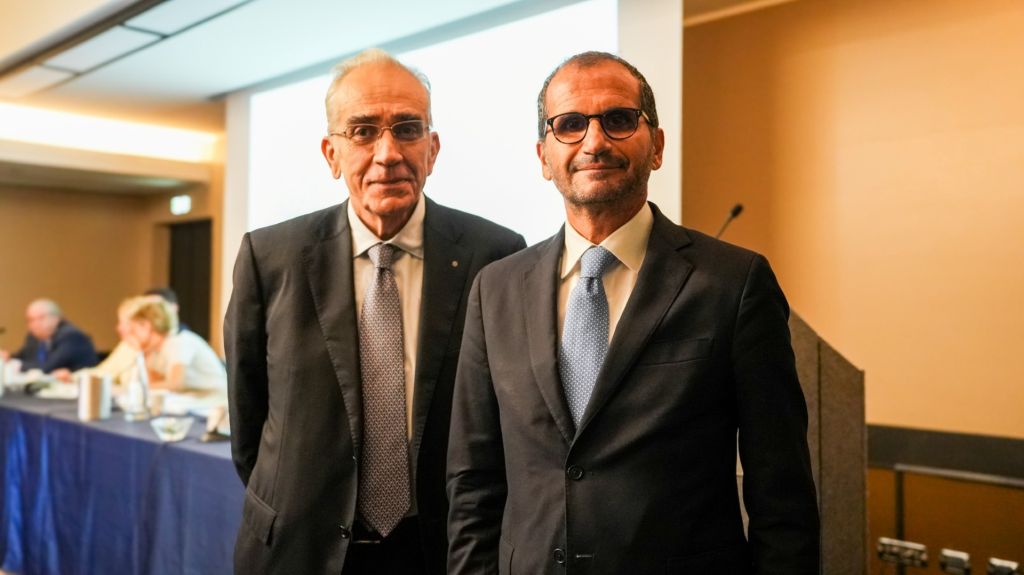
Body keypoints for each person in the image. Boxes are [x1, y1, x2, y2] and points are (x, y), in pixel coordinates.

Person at [446, 52, 820, 574]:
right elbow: (473, 482)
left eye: (619, 120)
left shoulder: (734, 284)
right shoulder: (495, 289)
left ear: (657, 146)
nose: (594, 142)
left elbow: (782, 494)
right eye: (570, 125)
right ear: (543, 157)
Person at [224, 48, 525, 575]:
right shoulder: (269, 257)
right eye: (363, 131)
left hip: (441, 549)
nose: (388, 153)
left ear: (432, 149)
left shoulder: (496, 255)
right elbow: (248, 421)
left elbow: (504, 421)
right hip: (299, 548)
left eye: (407, 129)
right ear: (331, 154)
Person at [119, 296, 227, 395]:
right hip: (195, 399)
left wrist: (133, 390)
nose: (129, 333)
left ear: (146, 325)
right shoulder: (155, 349)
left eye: (133, 327)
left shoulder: (177, 342)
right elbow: (153, 383)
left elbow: (175, 384)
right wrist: (142, 354)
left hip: (214, 400)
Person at [0, 299, 97, 373]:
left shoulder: (71, 336)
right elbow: (23, 357)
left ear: (56, 318)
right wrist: (8, 358)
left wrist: (16, 365)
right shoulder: (33, 337)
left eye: (41, 318)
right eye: (30, 320)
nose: (35, 324)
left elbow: (47, 367)